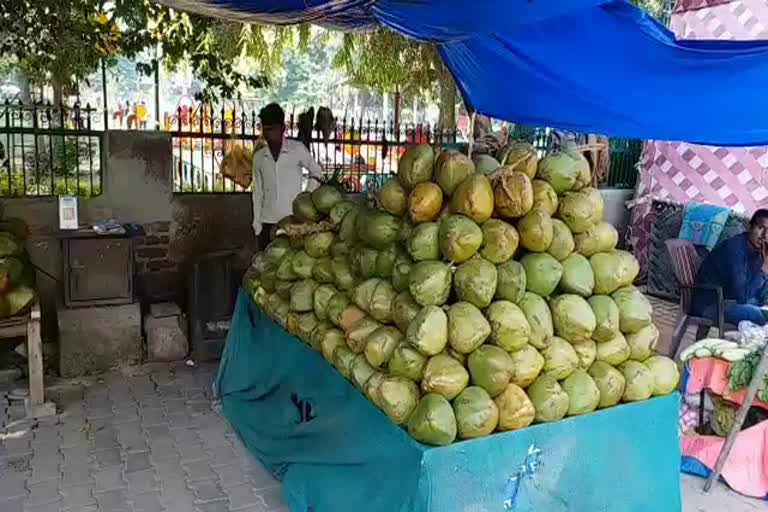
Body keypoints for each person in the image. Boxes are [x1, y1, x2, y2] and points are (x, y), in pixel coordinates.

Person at [252, 103, 324, 248]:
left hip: (293, 222)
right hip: (267, 222)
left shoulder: (297, 149)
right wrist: (256, 222)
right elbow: (257, 192)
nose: (268, 134)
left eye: (272, 129)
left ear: (283, 129)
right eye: (265, 129)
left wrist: (305, 197)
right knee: (266, 266)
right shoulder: (259, 157)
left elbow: (317, 173)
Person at [692, 209, 768, 326]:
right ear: (750, 227)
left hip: (732, 300)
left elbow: (760, 292)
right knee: (761, 316)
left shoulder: (759, 252)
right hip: (711, 304)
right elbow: (742, 296)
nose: (764, 236)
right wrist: (764, 268)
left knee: (762, 310)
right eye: (760, 228)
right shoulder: (734, 248)